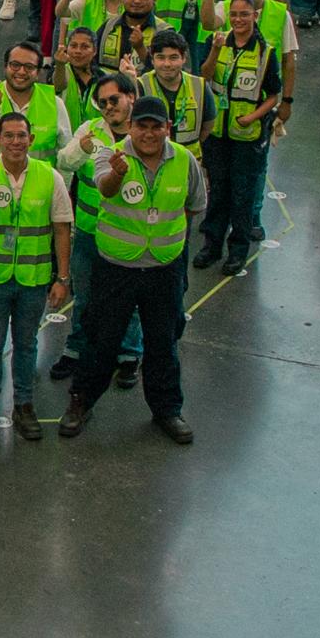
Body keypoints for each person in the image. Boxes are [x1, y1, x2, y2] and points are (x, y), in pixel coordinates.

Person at [59, 99, 199, 443]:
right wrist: (118, 175)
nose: (149, 134)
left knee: (163, 342)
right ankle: (81, 402)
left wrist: (172, 249)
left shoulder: (184, 160)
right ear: (131, 126)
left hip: (163, 270)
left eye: (156, 127)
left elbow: (194, 207)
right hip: (117, 269)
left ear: (167, 127)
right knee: (101, 340)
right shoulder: (111, 155)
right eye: (142, 126)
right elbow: (105, 188)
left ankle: (167, 409)